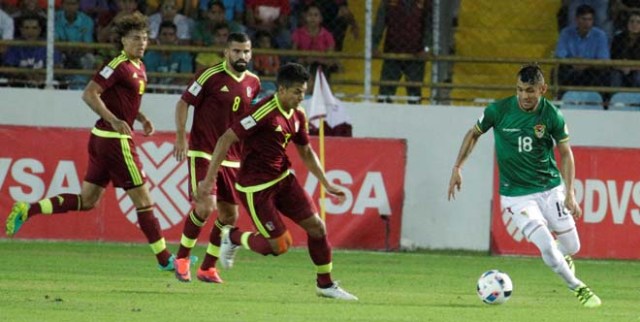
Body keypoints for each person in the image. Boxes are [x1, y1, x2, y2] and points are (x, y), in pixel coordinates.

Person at [5, 12, 180, 271]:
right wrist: (114, 120)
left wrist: (140, 117)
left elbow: (122, 100)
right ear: (122, 40)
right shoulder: (118, 65)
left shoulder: (139, 67)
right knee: (144, 202)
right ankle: (166, 260)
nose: (141, 43)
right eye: (135, 39)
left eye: (144, 38)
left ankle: (28, 209)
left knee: (88, 201)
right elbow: (89, 94)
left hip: (103, 140)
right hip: (114, 141)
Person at [196, 62, 358, 300]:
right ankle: (231, 236)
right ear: (281, 90)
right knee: (280, 246)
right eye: (296, 92)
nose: (301, 98)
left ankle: (325, 284)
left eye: (303, 92)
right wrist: (209, 180)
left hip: (283, 180)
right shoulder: (263, 112)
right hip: (255, 188)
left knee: (317, 228)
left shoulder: (298, 115)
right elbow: (225, 139)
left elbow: (305, 151)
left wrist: (325, 182)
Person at [447, 64, 601, 308]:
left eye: (530, 90)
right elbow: (474, 133)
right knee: (547, 246)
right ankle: (578, 287)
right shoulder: (498, 110)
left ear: (542, 89)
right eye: (520, 90)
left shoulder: (551, 115)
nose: (524, 96)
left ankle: (561, 259)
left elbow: (566, 154)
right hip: (517, 196)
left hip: (550, 189)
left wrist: (570, 193)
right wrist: (457, 167)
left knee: (572, 246)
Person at [172, 32, 261, 283]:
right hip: (203, 150)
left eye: (245, 51)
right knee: (205, 206)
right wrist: (180, 136)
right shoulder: (209, 76)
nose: (241, 56)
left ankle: (207, 268)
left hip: (233, 157)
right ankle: (181, 259)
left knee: (229, 216)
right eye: (236, 51)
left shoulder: (254, 82)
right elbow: (183, 103)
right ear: (226, 52)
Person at [372, 0, 432, 104]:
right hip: (394, 54)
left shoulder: (425, 2)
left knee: (414, 94)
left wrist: (426, 48)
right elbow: (379, 23)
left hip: (414, 55)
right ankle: (382, 114)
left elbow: (429, 26)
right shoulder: (388, 2)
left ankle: (413, 115)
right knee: (386, 92)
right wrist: (374, 46)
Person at [555, 4, 610, 89]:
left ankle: (599, 99)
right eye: (583, 19)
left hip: (591, 69)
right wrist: (573, 61)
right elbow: (559, 55)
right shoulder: (566, 33)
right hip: (571, 67)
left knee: (602, 73)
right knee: (559, 70)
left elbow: (603, 60)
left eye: (590, 19)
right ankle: (560, 97)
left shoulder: (600, 35)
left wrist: (586, 63)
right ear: (576, 19)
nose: (587, 23)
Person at [3, 14, 62, 87]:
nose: (30, 31)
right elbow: (9, 68)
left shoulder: (48, 45)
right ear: (21, 29)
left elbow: (57, 67)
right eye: (26, 28)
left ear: (40, 30)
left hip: (44, 85)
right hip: (20, 86)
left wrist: (43, 77)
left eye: (34, 28)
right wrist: (26, 75)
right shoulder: (15, 46)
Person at [143, 21, 194, 93]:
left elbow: (185, 78)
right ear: (158, 37)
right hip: (155, 93)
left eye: (171, 34)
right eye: (164, 34)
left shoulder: (184, 54)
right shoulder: (150, 55)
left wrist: (168, 88)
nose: (168, 37)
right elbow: (150, 79)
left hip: (178, 94)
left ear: (176, 37)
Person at [291, 4, 336, 80]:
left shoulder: (327, 35)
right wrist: (305, 59)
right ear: (305, 17)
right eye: (310, 15)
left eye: (316, 15)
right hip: (303, 65)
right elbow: (293, 53)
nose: (312, 18)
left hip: (321, 66)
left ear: (321, 18)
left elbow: (330, 59)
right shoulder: (298, 33)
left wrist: (315, 59)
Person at [610, 10, 640, 88]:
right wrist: (621, 66)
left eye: (638, 22)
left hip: (636, 69)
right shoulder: (618, 38)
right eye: (631, 21)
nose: (634, 24)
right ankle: (615, 99)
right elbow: (612, 58)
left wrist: (631, 67)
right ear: (627, 23)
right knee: (615, 76)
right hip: (620, 68)